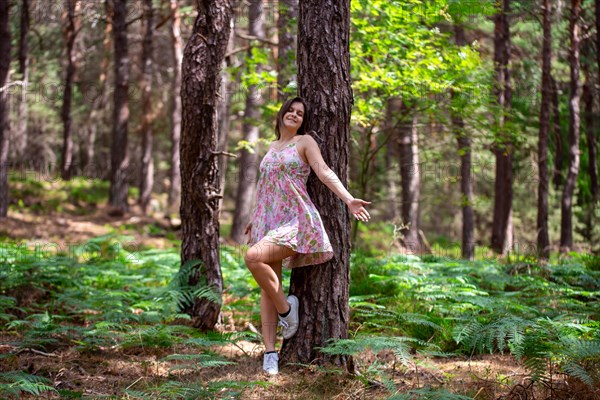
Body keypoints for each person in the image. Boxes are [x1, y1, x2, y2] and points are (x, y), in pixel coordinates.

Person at [243, 97, 371, 375]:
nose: (294, 114)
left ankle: (288, 312)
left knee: (252, 257)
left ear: (303, 120)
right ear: (281, 113)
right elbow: (266, 186)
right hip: (268, 220)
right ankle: (270, 354)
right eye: (290, 110)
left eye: (300, 113)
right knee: (267, 286)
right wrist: (255, 219)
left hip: (296, 220)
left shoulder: (305, 142)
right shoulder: (272, 146)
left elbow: (323, 172)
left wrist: (349, 200)